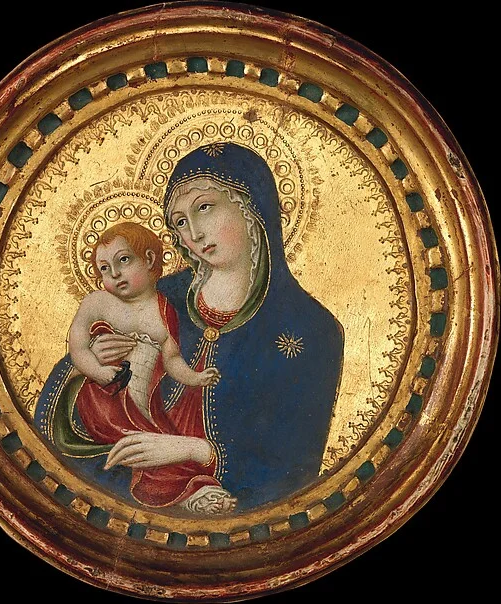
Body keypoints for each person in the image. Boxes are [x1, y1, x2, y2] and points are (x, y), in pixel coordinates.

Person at [35, 142, 344, 512]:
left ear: (250, 208)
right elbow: (55, 425)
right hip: (122, 483)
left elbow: (294, 474)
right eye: (180, 222)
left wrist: (195, 451)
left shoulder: (312, 330)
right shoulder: (154, 297)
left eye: (204, 207)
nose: (194, 233)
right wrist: (87, 366)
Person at [68, 222, 236, 512]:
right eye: (104, 269)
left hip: (143, 407)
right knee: (141, 447)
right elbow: (78, 348)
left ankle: (192, 490)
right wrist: (97, 371)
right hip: (103, 399)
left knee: (166, 448)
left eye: (123, 260)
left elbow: (172, 360)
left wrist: (195, 378)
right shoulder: (98, 303)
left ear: (148, 259)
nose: (114, 274)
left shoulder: (165, 311)